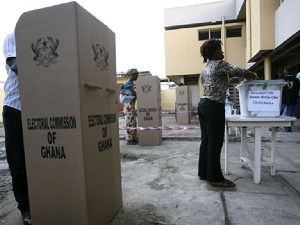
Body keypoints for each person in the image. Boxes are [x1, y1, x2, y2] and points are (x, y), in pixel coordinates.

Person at [198, 39, 256, 187]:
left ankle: (204, 172)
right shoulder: (220, 64)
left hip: (203, 104)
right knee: (215, 143)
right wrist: (252, 75)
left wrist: (229, 82)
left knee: (206, 141)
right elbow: (239, 70)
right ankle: (215, 178)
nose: (222, 52)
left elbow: (213, 84)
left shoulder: (205, 68)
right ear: (212, 53)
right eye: (219, 49)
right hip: (214, 106)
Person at [3, 33, 31, 224]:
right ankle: (26, 208)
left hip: (37, 109)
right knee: (18, 161)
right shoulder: (13, 36)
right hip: (16, 108)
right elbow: (16, 66)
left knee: (40, 159)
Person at [280, 66, 300, 131]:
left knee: (278, 113)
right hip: (293, 99)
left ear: (286, 71)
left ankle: (275, 126)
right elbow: (298, 89)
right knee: (289, 115)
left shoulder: (283, 79)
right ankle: (287, 128)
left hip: (283, 99)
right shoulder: (296, 80)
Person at [123, 68, 139, 145]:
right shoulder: (129, 84)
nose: (137, 76)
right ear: (132, 75)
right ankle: (129, 139)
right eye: (136, 75)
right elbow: (134, 93)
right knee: (129, 121)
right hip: (128, 104)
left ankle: (133, 137)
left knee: (132, 120)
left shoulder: (132, 83)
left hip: (131, 104)